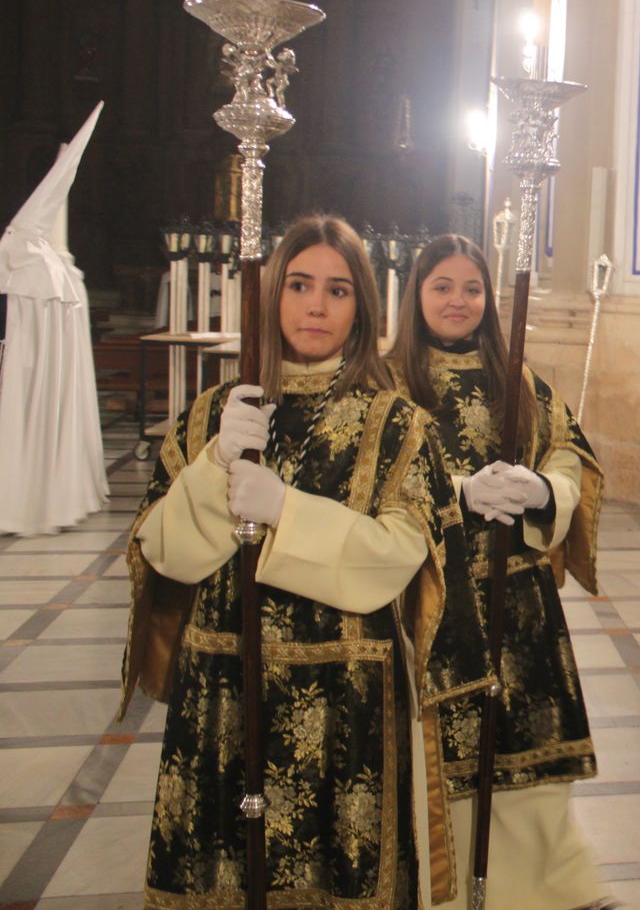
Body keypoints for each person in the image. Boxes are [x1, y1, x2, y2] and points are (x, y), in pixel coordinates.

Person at [120, 214, 491, 905]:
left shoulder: (395, 422)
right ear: (270, 294)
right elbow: (161, 552)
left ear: (363, 307)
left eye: (338, 289)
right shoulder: (213, 414)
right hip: (225, 690)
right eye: (298, 284)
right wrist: (216, 463)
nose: (316, 305)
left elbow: (398, 557)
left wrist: (286, 511)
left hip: (344, 706)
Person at [388, 234, 609, 910]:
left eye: (472, 289)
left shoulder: (519, 379)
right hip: (430, 599)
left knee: (527, 762)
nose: (459, 301)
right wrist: (457, 492)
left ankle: (552, 891)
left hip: (519, 603)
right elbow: (369, 484)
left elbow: (572, 452)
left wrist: (545, 492)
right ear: (415, 296)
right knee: (445, 767)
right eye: (442, 287)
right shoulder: (384, 381)